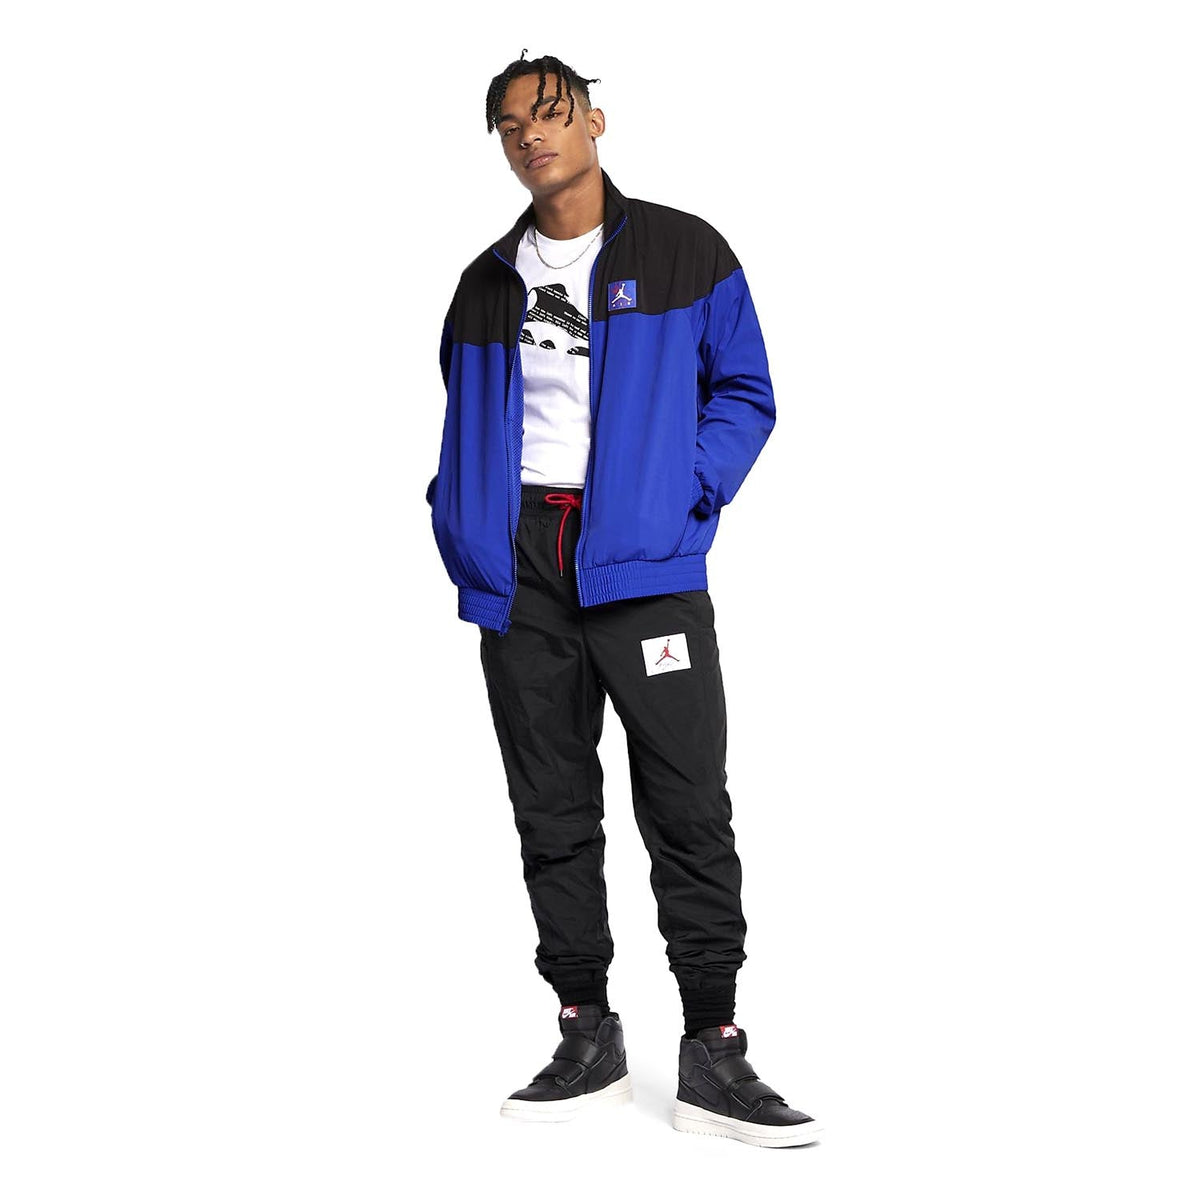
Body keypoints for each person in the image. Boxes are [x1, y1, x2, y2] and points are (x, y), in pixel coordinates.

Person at [425, 50, 821, 1148]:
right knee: (551, 809)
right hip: (524, 571)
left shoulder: (686, 252)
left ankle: (713, 1047)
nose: (531, 136)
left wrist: (684, 489)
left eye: (550, 114)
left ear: (594, 123)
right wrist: (460, 516)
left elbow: (746, 390)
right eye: (511, 125)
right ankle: (585, 1032)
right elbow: (464, 413)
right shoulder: (484, 283)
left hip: (643, 566)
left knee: (687, 803)